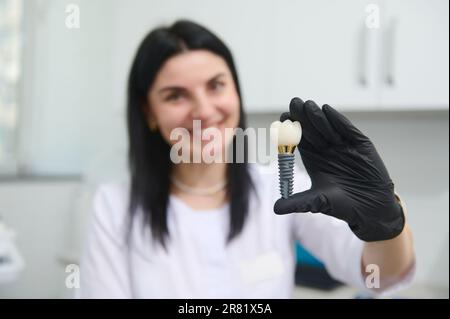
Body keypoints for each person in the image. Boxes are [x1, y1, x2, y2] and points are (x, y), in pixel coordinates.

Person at [79, 20, 415, 298]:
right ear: (148, 112)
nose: (203, 111)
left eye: (216, 86)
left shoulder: (281, 186)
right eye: (175, 95)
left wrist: (385, 225)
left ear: (236, 92)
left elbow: (379, 277)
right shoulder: (114, 206)